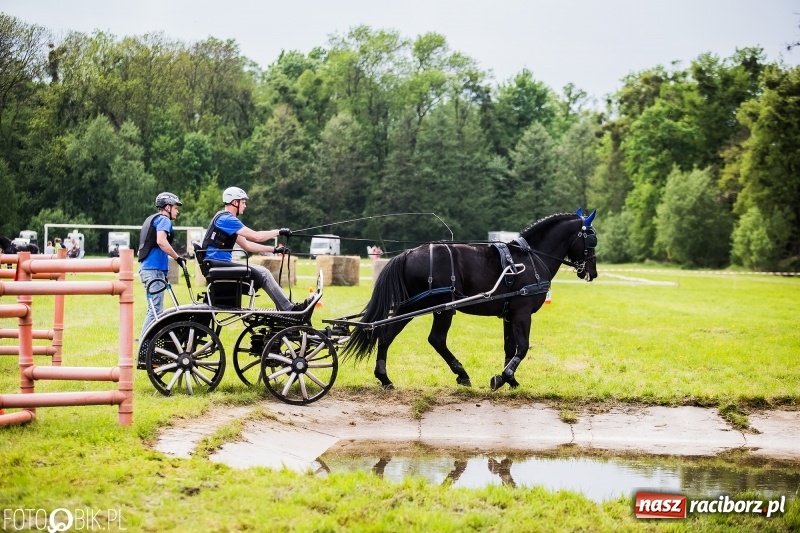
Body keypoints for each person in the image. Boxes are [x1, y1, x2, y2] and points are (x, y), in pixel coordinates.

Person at [202, 186, 311, 312]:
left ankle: (287, 306)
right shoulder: (227, 219)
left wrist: (274, 250)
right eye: (243, 202)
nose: (245, 205)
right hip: (220, 266)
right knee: (264, 273)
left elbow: (247, 245)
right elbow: (256, 237)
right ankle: (288, 308)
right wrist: (278, 231)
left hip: (219, 265)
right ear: (235, 202)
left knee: (263, 271)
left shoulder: (225, 219)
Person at [138, 192, 185, 337]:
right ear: (167, 207)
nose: (177, 211)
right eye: (176, 208)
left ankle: (145, 344)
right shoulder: (164, 220)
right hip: (154, 270)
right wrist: (178, 258)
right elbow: (161, 241)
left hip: (148, 269)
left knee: (153, 309)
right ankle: (145, 346)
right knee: (156, 311)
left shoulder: (152, 219)